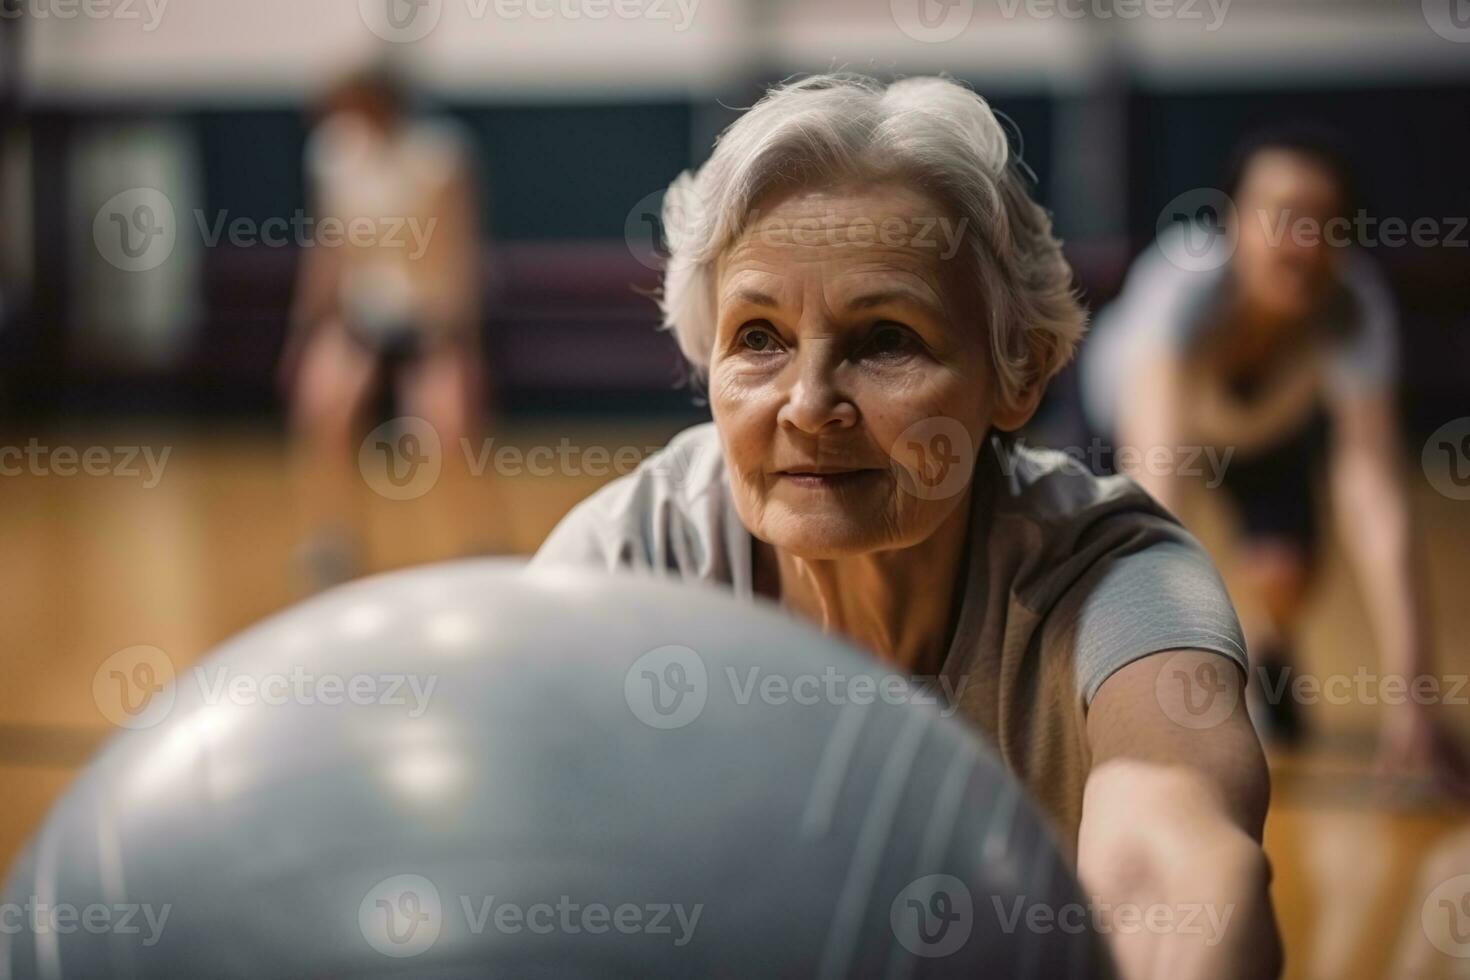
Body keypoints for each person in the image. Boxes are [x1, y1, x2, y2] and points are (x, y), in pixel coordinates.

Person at [532, 73, 1281, 977]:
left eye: (886, 339)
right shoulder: (634, 556)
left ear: (1020, 373)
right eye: (759, 339)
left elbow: (1172, 868)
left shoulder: (1118, 582)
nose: (808, 406)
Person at [1080, 126, 1469, 793]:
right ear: (1233, 223)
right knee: (1099, 574)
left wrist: (1414, 695)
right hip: (1136, 427)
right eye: (1283, 218)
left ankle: (1270, 660)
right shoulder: (1179, 298)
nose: (1304, 243)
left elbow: (1373, 494)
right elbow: (1160, 500)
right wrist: (1163, 705)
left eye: (1326, 224)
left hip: (1262, 434)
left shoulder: (1353, 306)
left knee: (1285, 572)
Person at [279, 64, 490, 587]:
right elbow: (328, 247)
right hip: (359, 320)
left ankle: (475, 544)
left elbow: (461, 250)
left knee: (450, 435)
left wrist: (465, 340)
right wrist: (304, 329)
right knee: (323, 418)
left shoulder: (439, 158)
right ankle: (332, 540)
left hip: (429, 324)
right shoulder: (333, 156)